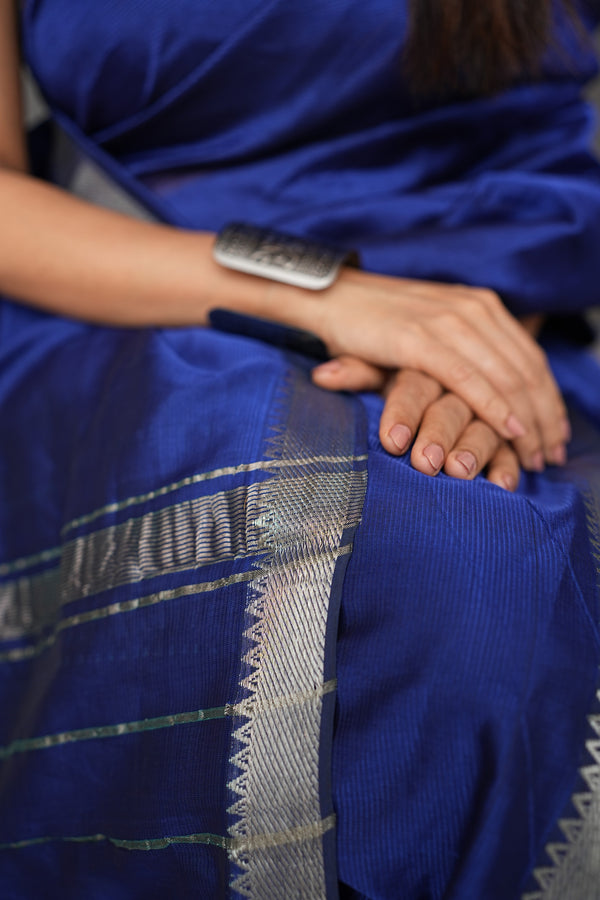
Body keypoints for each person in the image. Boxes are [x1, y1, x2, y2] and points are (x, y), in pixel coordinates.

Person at [0, 0, 599, 897]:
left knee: (492, 555)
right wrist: (324, 295)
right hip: (123, 291)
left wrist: (471, 355)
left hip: (483, 303)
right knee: (372, 549)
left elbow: (532, 144)